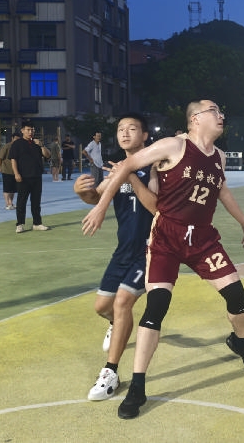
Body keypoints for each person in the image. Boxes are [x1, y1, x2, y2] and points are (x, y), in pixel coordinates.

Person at [81, 100, 244, 420]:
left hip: (203, 239)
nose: (221, 115)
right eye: (214, 110)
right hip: (166, 236)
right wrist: (99, 206)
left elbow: (222, 191)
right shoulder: (173, 146)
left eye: (221, 111)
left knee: (237, 296)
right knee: (156, 306)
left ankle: (240, 342)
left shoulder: (218, 157)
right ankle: (138, 386)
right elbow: (126, 165)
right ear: (195, 119)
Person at [75, 113, 158, 402]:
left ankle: (111, 372)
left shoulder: (155, 166)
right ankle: (117, 324)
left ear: (144, 135)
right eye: (121, 129)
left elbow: (157, 206)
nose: (124, 133)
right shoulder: (116, 169)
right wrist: (81, 192)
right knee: (102, 307)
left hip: (149, 250)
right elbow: (96, 197)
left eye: (132, 128)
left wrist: (131, 175)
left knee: (122, 302)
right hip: (123, 251)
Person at [9, 120, 51, 233]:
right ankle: (20, 224)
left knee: (36, 201)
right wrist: (16, 173)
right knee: (21, 201)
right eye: (28, 130)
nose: (30, 132)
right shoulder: (17, 144)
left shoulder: (37, 143)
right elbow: (13, 160)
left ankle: (37, 223)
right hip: (23, 177)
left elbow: (48, 155)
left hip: (36, 176)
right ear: (22, 130)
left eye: (32, 130)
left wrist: (41, 145)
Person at [0, 133, 19, 210]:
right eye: (16, 139)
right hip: (6, 169)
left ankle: (11, 203)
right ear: (12, 138)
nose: (17, 140)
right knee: (7, 187)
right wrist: (1, 167)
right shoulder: (7, 146)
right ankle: (7, 204)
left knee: (13, 188)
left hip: (15, 171)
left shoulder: (19, 147)